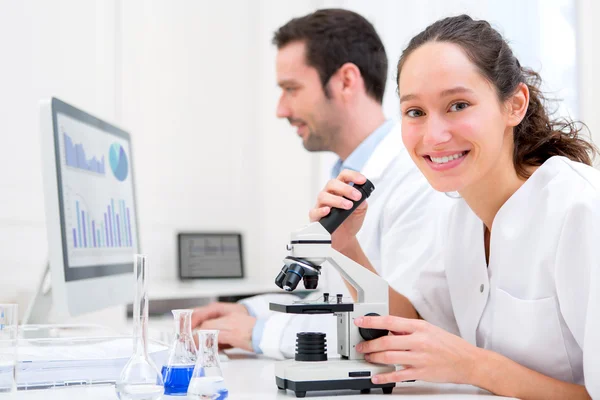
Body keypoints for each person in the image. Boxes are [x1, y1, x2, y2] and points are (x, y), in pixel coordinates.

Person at [312, 14, 599, 399]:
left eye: (458, 105)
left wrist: (472, 365)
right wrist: (346, 247)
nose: (434, 135)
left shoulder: (579, 211)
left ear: (514, 105)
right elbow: (409, 326)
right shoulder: (459, 212)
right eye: (415, 112)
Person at [190, 8, 451, 359]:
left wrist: (259, 333)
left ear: (345, 81)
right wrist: (251, 311)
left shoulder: (418, 179)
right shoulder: (348, 172)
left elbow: (399, 322)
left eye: (291, 89)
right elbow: (335, 298)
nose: (281, 109)